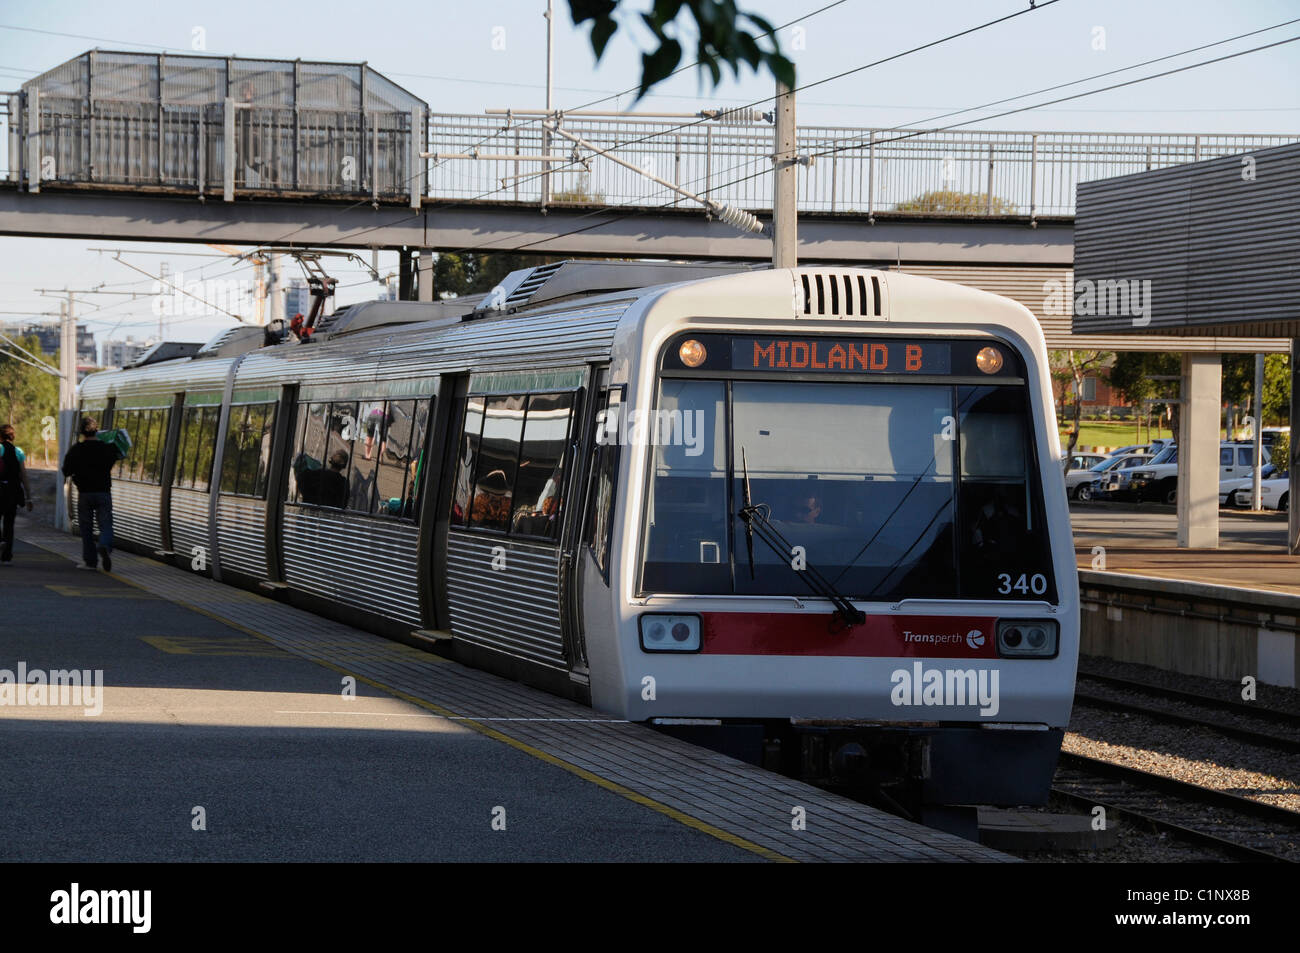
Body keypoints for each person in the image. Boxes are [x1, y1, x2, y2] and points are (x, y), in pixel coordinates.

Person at [62, 416, 119, 571]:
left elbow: (66, 470)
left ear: (81, 432)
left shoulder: (76, 450)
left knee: (86, 529)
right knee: (106, 524)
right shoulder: (108, 448)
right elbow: (115, 457)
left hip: (85, 493)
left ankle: (90, 562)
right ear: (97, 430)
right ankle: (105, 546)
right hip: (103, 492)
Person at [0, 424, 33, 564]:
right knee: (9, 523)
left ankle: (0, 540)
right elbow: (23, 475)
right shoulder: (18, 451)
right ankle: (7, 556)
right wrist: (29, 496)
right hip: (13, 491)